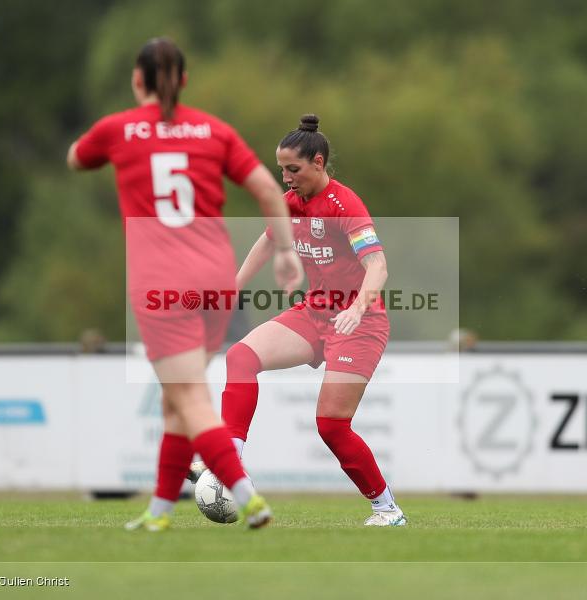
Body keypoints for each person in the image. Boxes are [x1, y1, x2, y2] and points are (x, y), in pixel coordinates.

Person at [67, 38, 303, 531]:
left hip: (162, 286)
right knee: (178, 401)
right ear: (185, 82)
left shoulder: (116, 130)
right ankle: (158, 515)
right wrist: (284, 252)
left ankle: (246, 497)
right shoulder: (214, 131)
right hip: (216, 284)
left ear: (137, 81)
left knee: (189, 398)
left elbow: (76, 158)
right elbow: (265, 188)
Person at [208, 114, 406, 526]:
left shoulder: (344, 205)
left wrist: (356, 308)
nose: (286, 179)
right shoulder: (291, 203)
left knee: (331, 425)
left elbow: (379, 266)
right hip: (315, 312)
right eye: (281, 170)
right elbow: (268, 242)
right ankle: (232, 462)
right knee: (241, 357)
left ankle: (387, 508)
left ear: (318, 163)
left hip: (360, 323)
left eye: (293, 170)